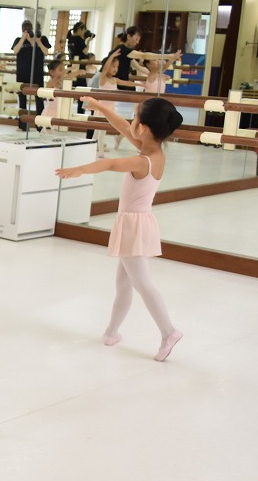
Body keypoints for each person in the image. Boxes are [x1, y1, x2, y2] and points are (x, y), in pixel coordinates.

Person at [56, 97, 184, 362]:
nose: (131, 122)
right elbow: (123, 127)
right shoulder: (153, 153)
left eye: (135, 117)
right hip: (136, 223)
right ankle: (111, 332)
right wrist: (100, 106)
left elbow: (110, 164)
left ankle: (169, 332)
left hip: (133, 226)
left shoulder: (143, 161)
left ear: (144, 128)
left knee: (142, 283)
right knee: (124, 283)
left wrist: (80, 169)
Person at [11, 20, 51, 131]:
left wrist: (36, 41)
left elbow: (46, 52)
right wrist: (23, 39)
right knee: (22, 100)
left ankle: (40, 125)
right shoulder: (18, 40)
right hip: (22, 73)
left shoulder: (42, 39)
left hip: (37, 73)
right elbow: (15, 51)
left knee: (39, 99)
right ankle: (23, 125)